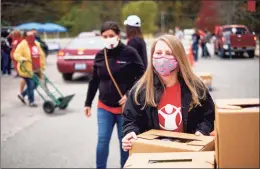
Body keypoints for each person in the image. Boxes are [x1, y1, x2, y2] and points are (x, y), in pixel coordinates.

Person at [122, 34, 215, 151]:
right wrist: (130, 132)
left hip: (188, 151)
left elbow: (208, 116)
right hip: (154, 152)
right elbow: (130, 119)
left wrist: (202, 131)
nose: (163, 58)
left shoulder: (195, 87)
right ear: (152, 56)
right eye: (158, 53)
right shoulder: (141, 89)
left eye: (169, 53)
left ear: (179, 57)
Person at [84, 21, 145, 168]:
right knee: (102, 140)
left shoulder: (129, 52)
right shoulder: (99, 56)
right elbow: (94, 80)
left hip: (125, 109)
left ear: (118, 36)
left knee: (124, 142)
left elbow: (142, 76)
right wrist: (88, 103)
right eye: (104, 36)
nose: (108, 38)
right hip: (104, 106)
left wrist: (129, 93)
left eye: (111, 35)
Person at [14, 31, 46, 107]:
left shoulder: (36, 44)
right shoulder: (22, 45)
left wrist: (42, 65)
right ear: (25, 37)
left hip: (36, 68)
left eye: (33, 35)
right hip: (27, 69)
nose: (32, 36)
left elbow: (41, 55)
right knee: (31, 85)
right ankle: (31, 102)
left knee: (35, 84)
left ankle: (22, 95)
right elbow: (16, 54)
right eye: (30, 35)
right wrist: (22, 58)